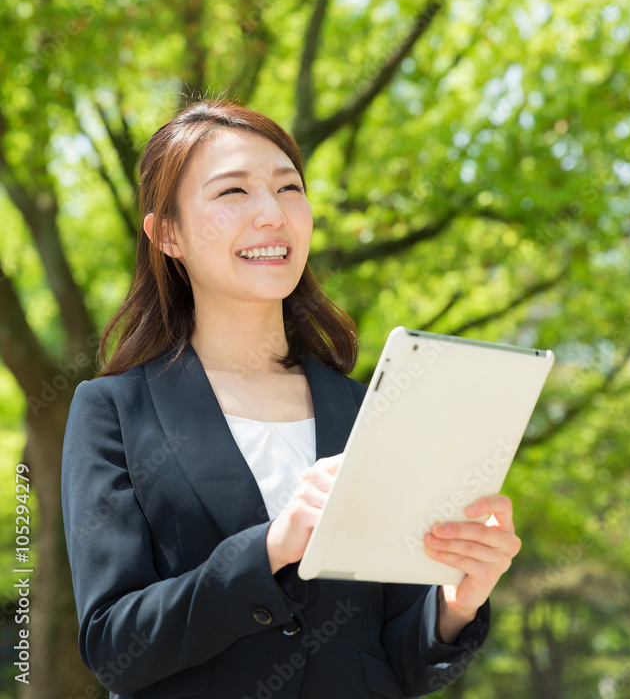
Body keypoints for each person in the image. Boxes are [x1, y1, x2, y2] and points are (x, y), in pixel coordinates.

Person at [61, 98, 521, 699]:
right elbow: (113, 647)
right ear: (167, 233)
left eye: (288, 188)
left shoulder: (369, 413)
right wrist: (271, 548)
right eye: (232, 193)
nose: (272, 214)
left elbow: (389, 659)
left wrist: (456, 602)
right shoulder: (114, 413)